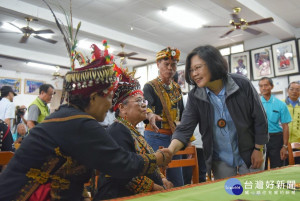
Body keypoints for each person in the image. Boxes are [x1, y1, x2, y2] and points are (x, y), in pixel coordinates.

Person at [0, 43, 172, 201]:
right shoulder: (79, 123)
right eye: (109, 98)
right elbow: (121, 163)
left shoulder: (69, 117)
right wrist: (158, 158)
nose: (110, 105)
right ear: (93, 98)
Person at [168, 45, 269, 180]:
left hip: (251, 154)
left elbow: (260, 119)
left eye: (198, 68)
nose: (194, 74)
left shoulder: (241, 84)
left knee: (254, 195)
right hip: (221, 160)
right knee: (229, 195)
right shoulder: (195, 96)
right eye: (191, 70)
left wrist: (258, 149)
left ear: (213, 63)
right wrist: (169, 151)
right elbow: (185, 128)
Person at [95, 68, 173, 200]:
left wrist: (162, 179)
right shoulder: (117, 131)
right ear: (122, 108)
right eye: (138, 101)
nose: (144, 105)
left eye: (144, 101)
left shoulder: (132, 130)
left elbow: (146, 162)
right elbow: (124, 173)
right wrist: (155, 187)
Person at [143, 47, 185, 187]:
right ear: (157, 64)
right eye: (166, 64)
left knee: (177, 179)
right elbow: (145, 106)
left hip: (174, 138)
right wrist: (150, 115)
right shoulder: (150, 86)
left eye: (173, 65)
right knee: (157, 178)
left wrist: (187, 139)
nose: (170, 68)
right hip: (155, 136)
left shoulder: (177, 88)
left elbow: (183, 114)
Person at [259, 77, 291, 169]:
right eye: (261, 86)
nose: (263, 88)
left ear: (272, 86)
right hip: (260, 139)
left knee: (278, 168)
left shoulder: (281, 104)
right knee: (261, 169)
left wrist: (284, 146)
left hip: (276, 139)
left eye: (266, 85)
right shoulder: (256, 103)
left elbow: (285, 126)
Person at [182, 94, 206, 184]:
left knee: (189, 175)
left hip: (196, 141)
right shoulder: (206, 96)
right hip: (195, 142)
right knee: (199, 174)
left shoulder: (185, 98)